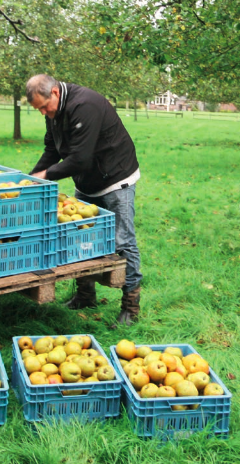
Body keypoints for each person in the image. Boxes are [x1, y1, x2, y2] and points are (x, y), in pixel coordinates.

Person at [26, 74, 143, 326]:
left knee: (123, 241)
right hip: (87, 181)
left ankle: (131, 308)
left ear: (55, 92)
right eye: (39, 110)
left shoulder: (85, 105)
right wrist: (32, 179)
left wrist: (45, 175)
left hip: (115, 177)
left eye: (45, 107)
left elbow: (80, 159)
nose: (44, 113)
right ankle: (85, 296)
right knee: (80, 238)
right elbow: (52, 149)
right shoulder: (54, 114)